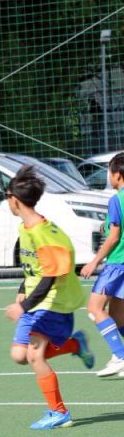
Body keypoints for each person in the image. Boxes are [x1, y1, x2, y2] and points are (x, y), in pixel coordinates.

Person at [3, 165, 93, 430]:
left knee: (34, 356)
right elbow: (35, 268)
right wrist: (23, 289)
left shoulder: (45, 234)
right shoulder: (26, 228)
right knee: (19, 355)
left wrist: (24, 306)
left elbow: (50, 276)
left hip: (53, 303)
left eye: (7, 197)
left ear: (15, 200)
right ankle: (74, 345)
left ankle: (58, 412)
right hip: (37, 300)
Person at [80, 152, 124, 376]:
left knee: (95, 308)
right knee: (117, 316)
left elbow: (114, 236)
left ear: (117, 175)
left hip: (117, 264)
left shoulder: (117, 199)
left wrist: (94, 262)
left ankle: (120, 356)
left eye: (109, 172)